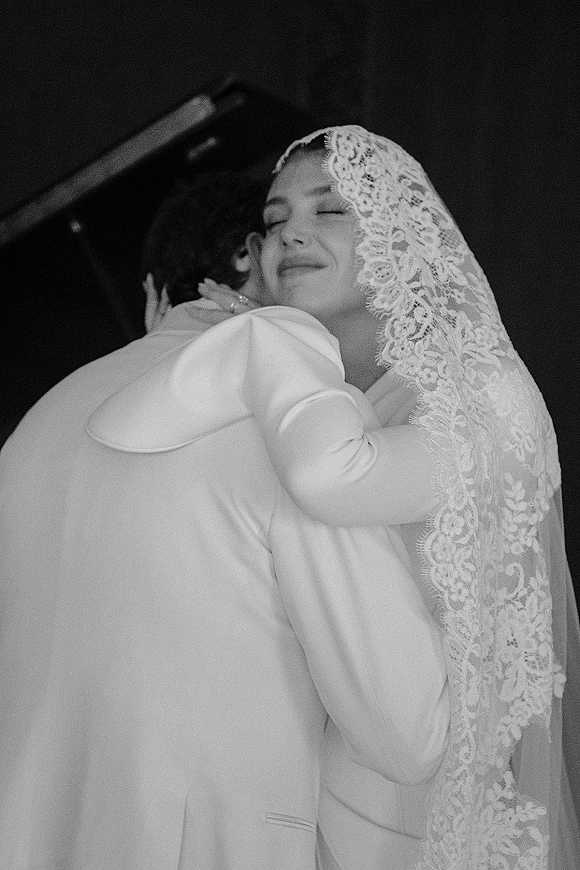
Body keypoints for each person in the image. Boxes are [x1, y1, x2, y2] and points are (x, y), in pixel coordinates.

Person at [0, 165, 451, 868]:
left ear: (153, 292)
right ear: (253, 254)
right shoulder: (291, 420)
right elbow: (406, 731)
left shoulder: (30, 428)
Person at [198, 126, 580, 870]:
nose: (288, 237)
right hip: (308, 802)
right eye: (274, 222)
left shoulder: (487, 396)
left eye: (329, 211)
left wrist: (265, 349)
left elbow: (333, 480)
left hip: (423, 818)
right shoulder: (333, 395)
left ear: (400, 235)